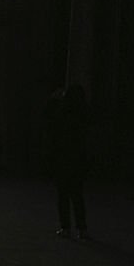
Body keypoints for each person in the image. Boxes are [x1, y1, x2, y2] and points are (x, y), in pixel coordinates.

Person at [45, 84, 90, 239]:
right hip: (77, 160)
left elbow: (52, 128)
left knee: (63, 195)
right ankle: (82, 228)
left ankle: (65, 227)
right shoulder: (83, 115)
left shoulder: (62, 113)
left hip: (63, 159)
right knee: (77, 196)